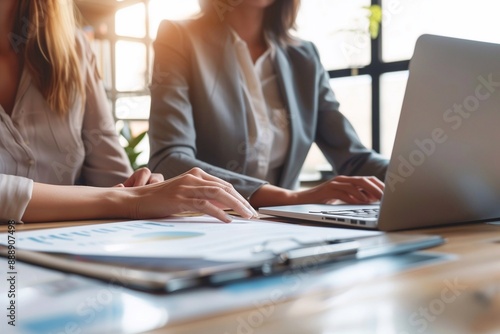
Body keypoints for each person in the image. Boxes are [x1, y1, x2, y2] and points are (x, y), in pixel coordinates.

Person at [0, 0, 257, 223]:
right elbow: (121, 197)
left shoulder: (73, 48)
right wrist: (128, 200)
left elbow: (113, 174)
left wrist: (146, 188)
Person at [149, 0, 389, 208]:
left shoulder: (303, 56)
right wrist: (290, 198)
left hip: (287, 226)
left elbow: (354, 158)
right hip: (211, 221)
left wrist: (418, 174)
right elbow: (170, 159)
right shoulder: (179, 37)